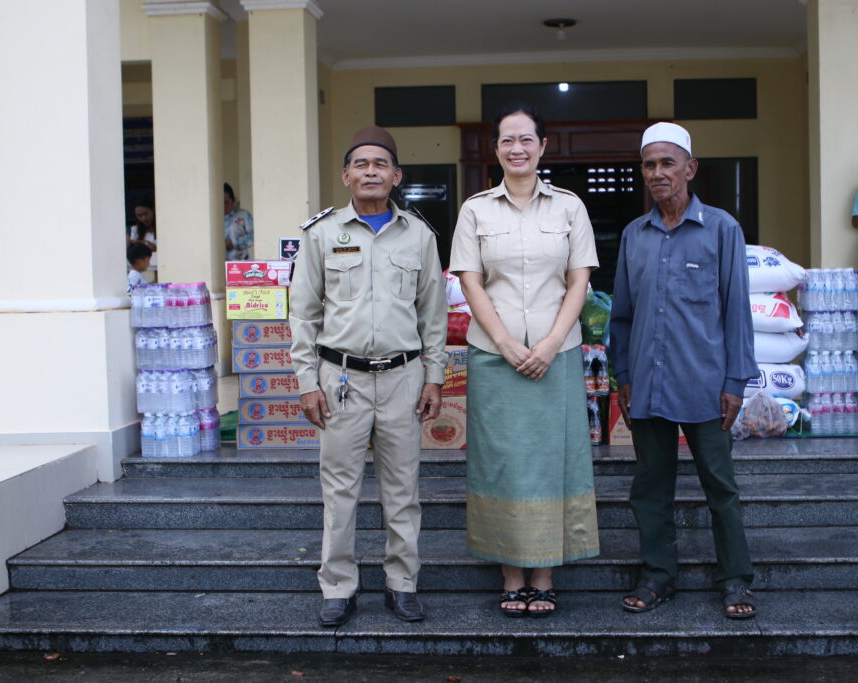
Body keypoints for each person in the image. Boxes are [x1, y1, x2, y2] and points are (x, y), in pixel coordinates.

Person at [288, 126, 448, 627]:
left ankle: (402, 583)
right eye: (361, 164)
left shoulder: (419, 235)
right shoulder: (321, 235)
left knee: (403, 490)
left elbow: (434, 315)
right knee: (340, 491)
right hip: (341, 379)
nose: (371, 172)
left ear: (397, 176)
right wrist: (307, 382)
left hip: (403, 377)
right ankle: (338, 586)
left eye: (381, 164)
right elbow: (303, 314)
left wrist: (434, 376)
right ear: (346, 175)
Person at [448, 104, 600, 618]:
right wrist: (508, 344)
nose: (517, 148)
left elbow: (579, 280)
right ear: (496, 149)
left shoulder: (569, 208)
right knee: (501, 462)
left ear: (542, 147)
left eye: (526, 139)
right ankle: (511, 575)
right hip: (495, 357)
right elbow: (471, 282)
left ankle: (545, 575)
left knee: (555, 459)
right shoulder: (475, 211)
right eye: (507, 140)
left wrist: (552, 342)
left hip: (558, 355)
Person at [608, 122, 759, 620]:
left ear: (690, 168)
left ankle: (735, 579)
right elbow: (622, 315)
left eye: (667, 163)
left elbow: (737, 311)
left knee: (721, 487)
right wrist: (623, 375)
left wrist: (736, 381)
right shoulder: (634, 235)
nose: (657, 173)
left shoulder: (722, 229)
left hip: (706, 384)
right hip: (647, 383)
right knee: (650, 487)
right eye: (649, 164)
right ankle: (658, 575)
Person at [127, 195, 157, 280]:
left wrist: (139, 242)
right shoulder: (135, 230)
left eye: (146, 214)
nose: (143, 218)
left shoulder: (162, 228)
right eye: (139, 215)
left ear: (153, 210)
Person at [224, 182, 255, 260]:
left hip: (241, 262)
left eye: (226, 202)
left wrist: (234, 243)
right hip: (220, 263)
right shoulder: (214, 219)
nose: (224, 206)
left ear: (233, 200)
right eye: (221, 203)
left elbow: (254, 236)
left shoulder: (244, 215)